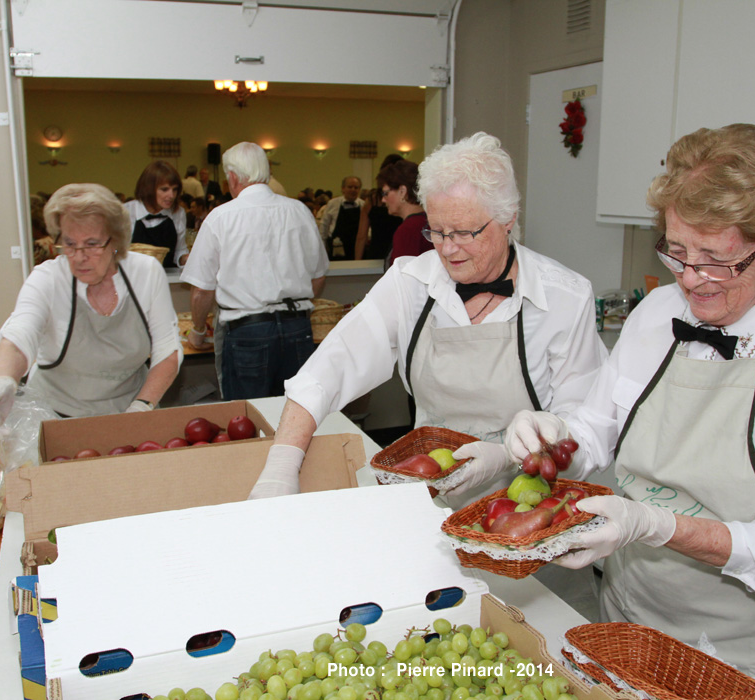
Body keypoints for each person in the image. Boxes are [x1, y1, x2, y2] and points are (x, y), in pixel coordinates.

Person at [500, 124, 755, 700]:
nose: (690, 278)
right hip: (632, 616)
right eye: (677, 252)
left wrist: (656, 525)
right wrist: (554, 433)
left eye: (716, 260)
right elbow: (599, 427)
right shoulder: (656, 313)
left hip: (754, 651)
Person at [249, 132, 607, 504]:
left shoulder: (564, 297)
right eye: (436, 231)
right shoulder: (411, 283)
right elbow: (330, 368)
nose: (448, 249)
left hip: (529, 510)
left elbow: (586, 428)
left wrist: (507, 457)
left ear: (507, 220)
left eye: (465, 232)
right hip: (428, 498)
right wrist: (281, 464)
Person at [0, 183, 181, 432]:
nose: (80, 257)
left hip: (130, 410)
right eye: (70, 244)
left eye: (92, 244)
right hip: (53, 415)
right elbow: (19, 336)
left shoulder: (145, 272)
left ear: (115, 240)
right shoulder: (48, 278)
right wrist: (5, 382)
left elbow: (167, 349)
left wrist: (142, 406)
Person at [180, 142, 329, 400]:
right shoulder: (299, 211)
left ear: (234, 177)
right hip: (297, 328)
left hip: (247, 332)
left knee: (246, 418)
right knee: (294, 412)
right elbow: (318, 275)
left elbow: (201, 291)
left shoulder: (221, 217)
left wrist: (198, 331)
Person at [123, 161, 189, 269]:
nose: (171, 195)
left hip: (166, 279)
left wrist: (184, 259)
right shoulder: (126, 212)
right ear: (148, 188)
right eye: (164, 189)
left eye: (175, 189)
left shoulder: (178, 213)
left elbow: (179, 250)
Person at [377, 160, 433, 267]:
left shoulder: (409, 229)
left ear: (402, 191)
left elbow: (403, 279)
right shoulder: (428, 221)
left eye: (385, 193)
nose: (383, 200)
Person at [355, 154, 404, 261]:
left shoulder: (372, 199)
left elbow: (361, 236)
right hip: (400, 254)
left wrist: (357, 263)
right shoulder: (407, 199)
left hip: (377, 253)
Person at [318, 176, 363, 260]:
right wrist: (322, 248)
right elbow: (324, 226)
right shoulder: (332, 203)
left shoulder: (363, 205)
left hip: (356, 247)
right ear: (343, 188)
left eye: (356, 187)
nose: (353, 190)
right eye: (350, 187)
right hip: (337, 247)